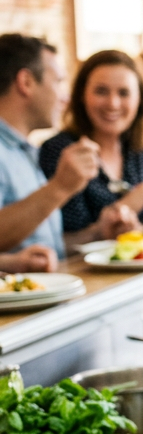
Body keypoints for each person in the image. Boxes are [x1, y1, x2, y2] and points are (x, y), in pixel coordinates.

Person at [0, 34, 135, 264]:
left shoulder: (24, 152)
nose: (65, 97)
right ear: (26, 82)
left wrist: (97, 233)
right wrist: (60, 187)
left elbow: (48, 249)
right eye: (58, 82)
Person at [39, 50, 143, 243]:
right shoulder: (60, 150)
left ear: (139, 100)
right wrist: (139, 195)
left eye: (124, 93)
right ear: (82, 95)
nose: (113, 103)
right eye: (101, 91)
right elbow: (57, 241)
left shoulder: (139, 149)